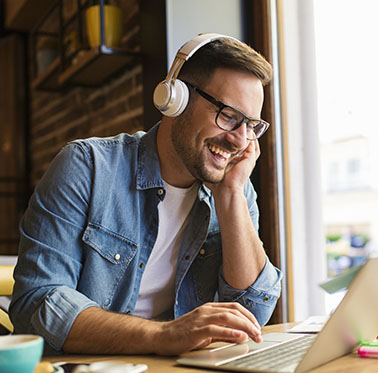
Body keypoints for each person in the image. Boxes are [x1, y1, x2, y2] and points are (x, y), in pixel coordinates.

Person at [10, 33, 282, 356]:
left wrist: (232, 196)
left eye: (251, 125)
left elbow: (252, 314)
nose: (240, 140)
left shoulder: (234, 185)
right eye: (228, 116)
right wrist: (164, 336)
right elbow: (37, 301)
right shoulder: (87, 168)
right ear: (176, 99)